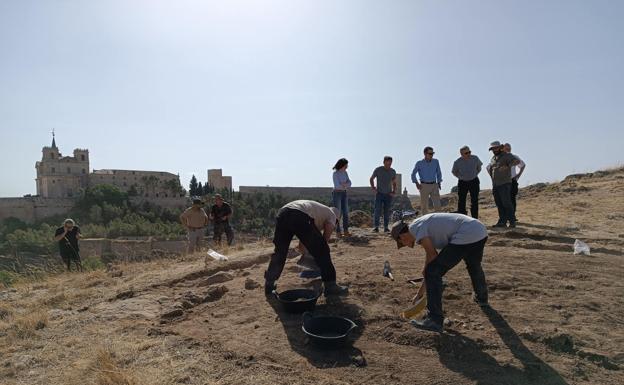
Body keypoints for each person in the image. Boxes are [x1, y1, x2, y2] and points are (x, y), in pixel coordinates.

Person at [390, 213, 489, 333]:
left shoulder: (416, 229)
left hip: (465, 234)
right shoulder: (418, 224)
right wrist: (420, 294)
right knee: (473, 265)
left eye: (402, 243)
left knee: (433, 272)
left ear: (402, 236)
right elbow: (430, 256)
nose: (405, 245)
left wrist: (426, 274)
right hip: (479, 231)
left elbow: (432, 257)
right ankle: (481, 297)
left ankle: (434, 320)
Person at [264, 200, 348, 296]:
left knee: (280, 251)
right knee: (323, 249)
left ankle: (269, 285)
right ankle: (330, 286)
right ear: (337, 220)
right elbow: (324, 241)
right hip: (298, 214)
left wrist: (305, 254)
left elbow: (303, 239)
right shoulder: (332, 215)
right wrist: (318, 256)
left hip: (283, 213)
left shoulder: (317, 212)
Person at [487, 141, 520, 228]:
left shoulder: (507, 155)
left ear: (500, 147)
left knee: (506, 203)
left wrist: (508, 166)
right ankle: (502, 221)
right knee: (499, 204)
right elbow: (491, 168)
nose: (494, 150)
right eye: (493, 149)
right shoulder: (493, 158)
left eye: (496, 148)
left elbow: (517, 161)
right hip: (495, 184)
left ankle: (512, 221)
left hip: (505, 183)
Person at [451, 145, 483, 218]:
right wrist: (461, 177)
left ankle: (475, 218)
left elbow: (479, 168)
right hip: (463, 182)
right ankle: (462, 218)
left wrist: (474, 174)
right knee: (461, 201)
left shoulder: (475, 158)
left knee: (474, 200)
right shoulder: (457, 162)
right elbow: (454, 172)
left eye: (469, 152)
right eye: (466, 153)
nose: (468, 154)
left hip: (474, 181)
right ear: (461, 154)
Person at [411, 147, 443, 215]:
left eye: (432, 153)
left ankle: (439, 221)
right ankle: (425, 223)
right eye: (430, 153)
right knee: (424, 206)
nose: (432, 155)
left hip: (434, 185)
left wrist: (439, 182)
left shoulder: (436, 161)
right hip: (424, 186)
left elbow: (439, 172)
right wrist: (416, 183)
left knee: (438, 205)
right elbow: (413, 174)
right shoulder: (419, 163)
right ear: (425, 154)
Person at [370, 156, 397, 232]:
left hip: (388, 195)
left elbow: (394, 183)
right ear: (384, 162)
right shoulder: (378, 170)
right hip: (379, 194)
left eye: (390, 164)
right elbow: (371, 178)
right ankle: (376, 227)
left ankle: (386, 227)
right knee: (377, 210)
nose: (389, 165)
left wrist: (394, 191)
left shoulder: (393, 171)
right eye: (387, 163)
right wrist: (373, 188)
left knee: (387, 211)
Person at [504, 143, 526, 222]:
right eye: (506, 148)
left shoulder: (514, 157)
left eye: (509, 148)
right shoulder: (500, 157)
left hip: (512, 180)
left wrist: (518, 175)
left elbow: (523, 165)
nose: (508, 149)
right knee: (504, 199)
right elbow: (489, 167)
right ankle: (505, 217)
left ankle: (512, 216)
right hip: (503, 181)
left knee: (512, 198)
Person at [332, 158, 352, 237]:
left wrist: (344, 185)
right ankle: (338, 232)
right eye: (346, 164)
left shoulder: (345, 173)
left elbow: (350, 183)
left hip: (344, 193)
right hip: (337, 193)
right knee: (338, 213)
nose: (347, 166)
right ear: (342, 164)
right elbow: (337, 186)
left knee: (346, 213)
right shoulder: (335, 174)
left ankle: (346, 231)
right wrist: (345, 185)